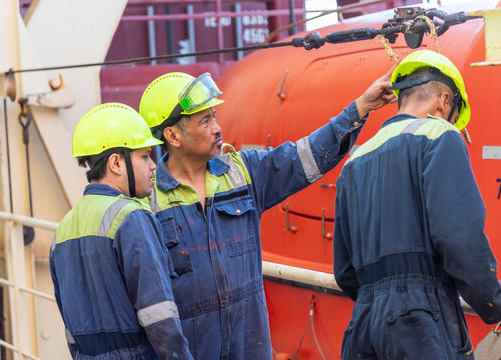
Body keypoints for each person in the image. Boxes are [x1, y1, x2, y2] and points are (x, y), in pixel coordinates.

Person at [138, 70, 396, 359]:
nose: (218, 128)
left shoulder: (244, 173)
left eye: (215, 117)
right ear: (172, 135)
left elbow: (305, 157)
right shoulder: (146, 203)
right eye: (206, 121)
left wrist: (360, 107)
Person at [333, 50, 501, 359]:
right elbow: (460, 239)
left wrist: (381, 300)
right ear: (444, 101)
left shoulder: (353, 162)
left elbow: (344, 271)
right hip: (422, 325)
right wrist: (493, 304)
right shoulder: (440, 135)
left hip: (363, 327)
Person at [49, 103, 193, 360]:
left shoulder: (63, 230)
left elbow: (71, 327)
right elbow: (159, 316)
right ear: (116, 162)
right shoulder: (131, 217)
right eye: (144, 156)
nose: (153, 166)